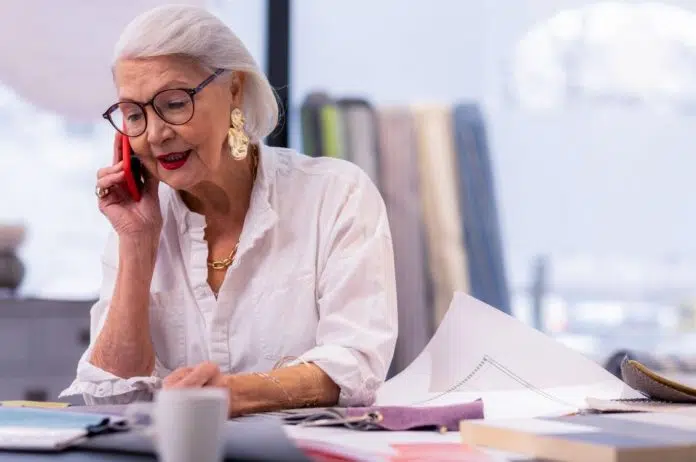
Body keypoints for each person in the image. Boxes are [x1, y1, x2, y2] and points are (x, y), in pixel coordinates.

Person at [60, 5, 398, 416]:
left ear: (234, 89)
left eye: (174, 102)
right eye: (134, 114)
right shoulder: (139, 221)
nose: (156, 133)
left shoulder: (336, 195)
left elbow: (357, 364)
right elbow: (111, 399)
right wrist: (138, 243)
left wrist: (233, 394)